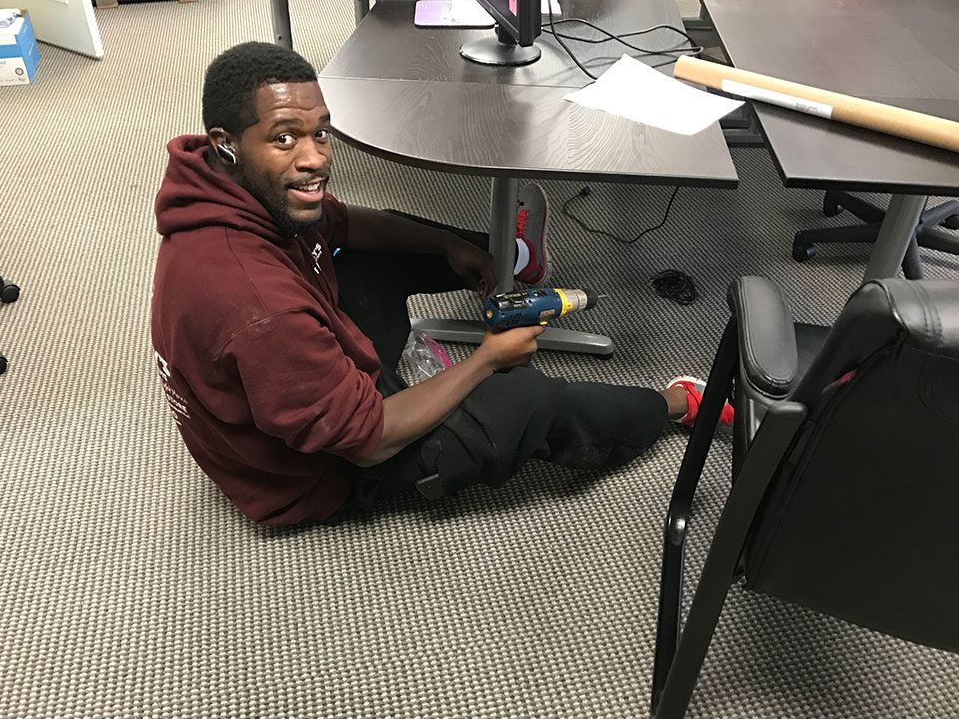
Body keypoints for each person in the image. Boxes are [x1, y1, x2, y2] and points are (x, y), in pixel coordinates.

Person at [150, 42, 732, 527]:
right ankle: (680, 403)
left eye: (320, 134)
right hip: (322, 473)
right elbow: (370, 440)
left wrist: (451, 246)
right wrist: (486, 358)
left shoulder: (225, 186)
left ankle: (514, 255)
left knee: (365, 242)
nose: (314, 159)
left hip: (301, 372)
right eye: (284, 139)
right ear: (227, 142)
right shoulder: (256, 300)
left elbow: (344, 223)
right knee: (531, 401)